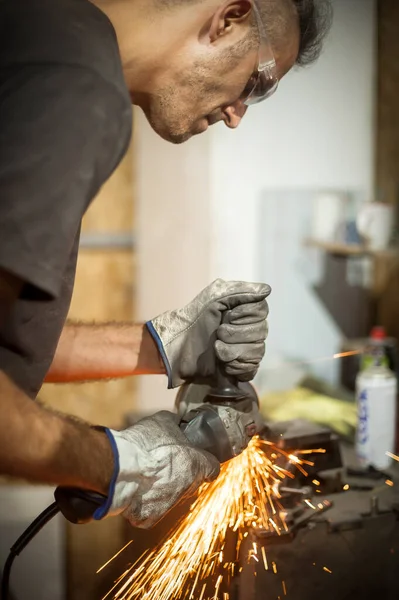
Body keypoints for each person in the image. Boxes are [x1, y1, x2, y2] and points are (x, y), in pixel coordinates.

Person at [0, 0, 331, 528]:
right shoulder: (76, 82)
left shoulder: (41, 34)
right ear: (229, 18)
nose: (237, 115)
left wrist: (163, 343)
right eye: (257, 83)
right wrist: (124, 465)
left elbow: (9, 337)